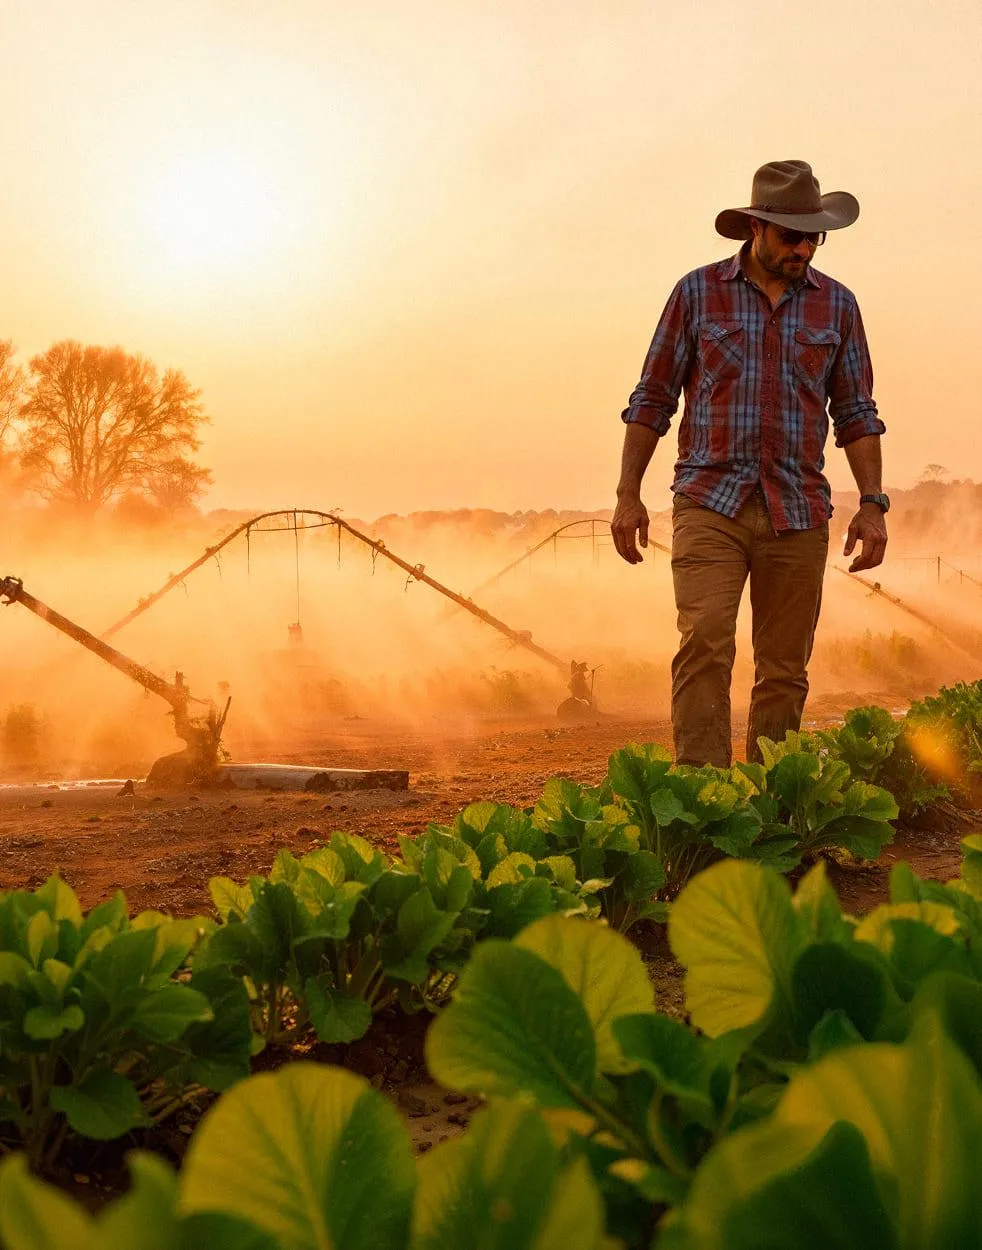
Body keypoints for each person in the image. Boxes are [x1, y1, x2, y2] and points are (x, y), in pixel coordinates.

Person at [611, 160, 887, 767]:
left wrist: (872, 504)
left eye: (814, 235)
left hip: (799, 508)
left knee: (785, 668)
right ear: (756, 229)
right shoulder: (696, 292)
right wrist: (628, 494)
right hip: (711, 501)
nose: (804, 247)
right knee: (706, 643)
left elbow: (857, 411)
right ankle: (703, 801)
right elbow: (653, 397)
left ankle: (770, 812)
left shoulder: (837, 306)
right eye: (792, 234)